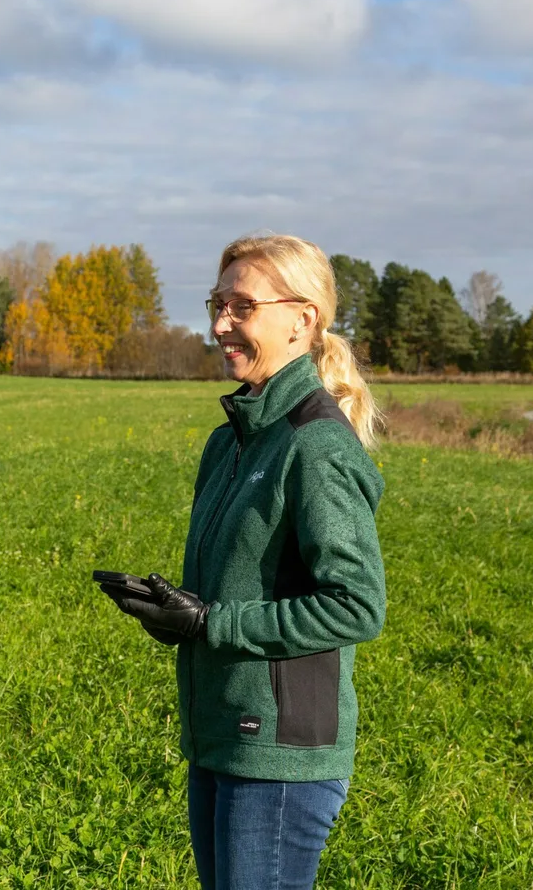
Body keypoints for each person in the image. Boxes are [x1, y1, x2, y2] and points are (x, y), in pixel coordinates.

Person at [100, 234, 386, 889]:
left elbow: (357, 605)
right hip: (223, 734)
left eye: (242, 307)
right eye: (217, 304)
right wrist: (176, 614)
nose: (220, 324)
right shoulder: (229, 441)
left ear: (302, 319)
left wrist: (211, 623)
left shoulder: (315, 445)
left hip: (280, 755)